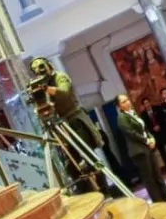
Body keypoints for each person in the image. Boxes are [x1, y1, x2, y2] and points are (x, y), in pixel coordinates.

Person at [30, 57, 108, 195]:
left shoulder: (60, 77)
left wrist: (47, 89)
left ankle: (104, 189)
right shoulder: (41, 84)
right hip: (62, 126)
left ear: (49, 65)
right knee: (72, 165)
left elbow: (64, 92)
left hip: (75, 121)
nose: (39, 70)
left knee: (90, 158)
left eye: (41, 66)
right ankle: (86, 193)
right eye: (35, 69)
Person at [115, 94, 166, 202]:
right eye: (123, 102)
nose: (127, 102)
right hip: (139, 151)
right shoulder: (121, 118)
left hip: (147, 148)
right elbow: (131, 133)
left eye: (127, 100)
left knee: (158, 176)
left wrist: (152, 138)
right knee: (150, 180)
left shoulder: (133, 113)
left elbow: (144, 129)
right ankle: (159, 203)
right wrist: (146, 140)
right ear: (119, 106)